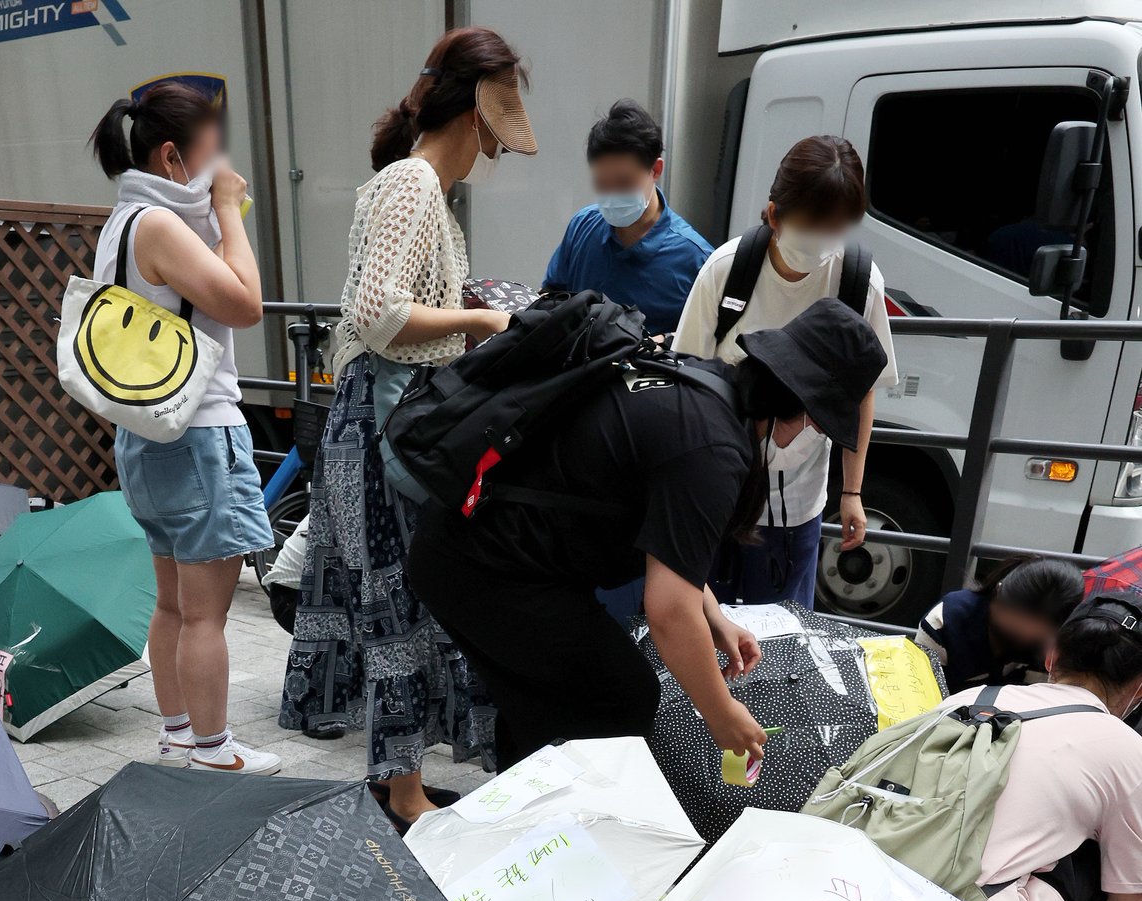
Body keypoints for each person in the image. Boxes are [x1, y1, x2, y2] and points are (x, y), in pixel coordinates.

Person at [407, 298, 889, 771]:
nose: (815, 438)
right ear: (801, 410)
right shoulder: (715, 450)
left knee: (550, 709)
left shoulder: (702, 384)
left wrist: (715, 618)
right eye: (820, 427)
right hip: (486, 564)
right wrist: (723, 715)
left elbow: (668, 545)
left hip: (476, 545)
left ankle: (527, 832)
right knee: (619, 698)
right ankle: (561, 835)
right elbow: (669, 613)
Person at [279, 26, 537, 828]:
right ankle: (401, 792)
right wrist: (487, 319)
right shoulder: (414, 185)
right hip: (387, 422)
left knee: (406, 603)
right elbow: (380, 313)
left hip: (384, 422)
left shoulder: (412, 186)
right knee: (399, 603)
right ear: (477, 118)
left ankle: (403, 785)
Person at [90, 79, 279, 775]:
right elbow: (245, 304)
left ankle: (177, 732)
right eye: (210, 152)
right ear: (174, 156)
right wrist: (230, 212)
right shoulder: (164, 225)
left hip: (146, 435)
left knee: (172, 602)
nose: (218, 165)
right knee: (205, 614)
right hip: (198, 433)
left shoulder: (126, 221)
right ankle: (213, 749)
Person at [675, 135, 897, 609]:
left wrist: (852, 490)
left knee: (781, 641)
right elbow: (687, 377)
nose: (826, 239)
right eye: (816, 224)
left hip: (798, 504)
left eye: (840, 226)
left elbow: (864, 390)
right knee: (705, 631)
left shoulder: (859, 283)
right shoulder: (727, 271)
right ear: (775, 215)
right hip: (718, 493)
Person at [941, 592, 1142, 901]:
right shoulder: (1129, 751)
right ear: (1139, 688)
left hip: (875, 881)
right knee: (1099, 846)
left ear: (1051, 656)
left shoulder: (971, 697)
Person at [543, 100, 711, 334]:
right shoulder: (583, 227)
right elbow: (550, 299)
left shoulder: (696, 260)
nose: (611, 196)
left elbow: (704, 346)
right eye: (602, 183)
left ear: (655, 170)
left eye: (624, 183)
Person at [916, 556, 1083, 693]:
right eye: (1015, 628)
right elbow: (918, 692)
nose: (1024, 636)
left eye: (1037, 635)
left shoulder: (1058, 644)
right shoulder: (947, 619)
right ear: (998, 593)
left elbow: (1045, 701)